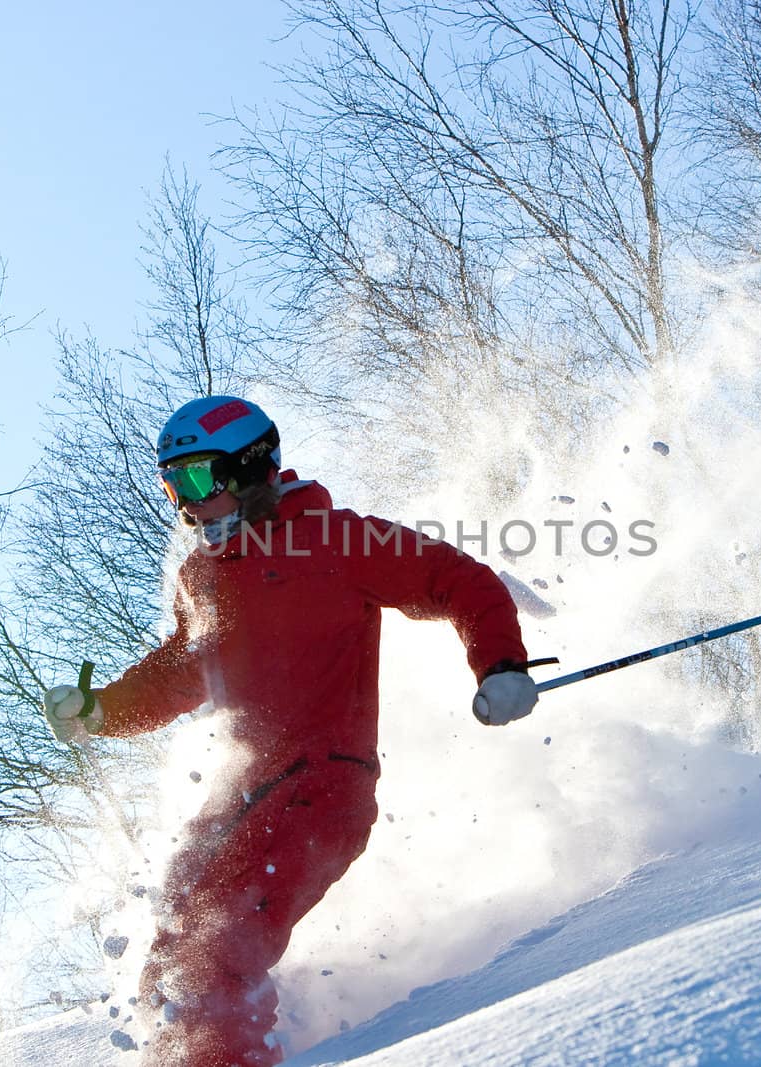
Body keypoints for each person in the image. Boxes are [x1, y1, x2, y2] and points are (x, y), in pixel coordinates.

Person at [41, 395, 540, 1067]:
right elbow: (178, 672)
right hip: (239, 796)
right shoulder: (204, 577)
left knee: (216, 943)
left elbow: (457, 580)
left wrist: (499, 664)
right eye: (171, 488)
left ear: (248, 469)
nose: (186, 508)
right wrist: (99, 710)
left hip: (323, 787)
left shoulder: (338, 539)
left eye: (193, 481)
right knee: (166, 954)